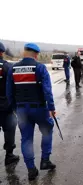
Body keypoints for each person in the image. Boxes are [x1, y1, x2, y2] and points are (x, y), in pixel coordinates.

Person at [6, 43, 56, 181]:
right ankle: (45, 160)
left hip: (22, 109)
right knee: (47, 129)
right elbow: (47, 91)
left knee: (26, 139)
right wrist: (51, 108)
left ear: (24, 52)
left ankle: (31, 170)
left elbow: (9, 92)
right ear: (36, 54)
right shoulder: (40, 68)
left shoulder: (13, 69)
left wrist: (15, 108)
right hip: (39, 108)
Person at [0, 42, 20, 167]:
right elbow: (14, 87)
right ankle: (9, 156)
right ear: (2, 52)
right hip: (5, 106)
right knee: (9, 129)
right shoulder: (8, 67)